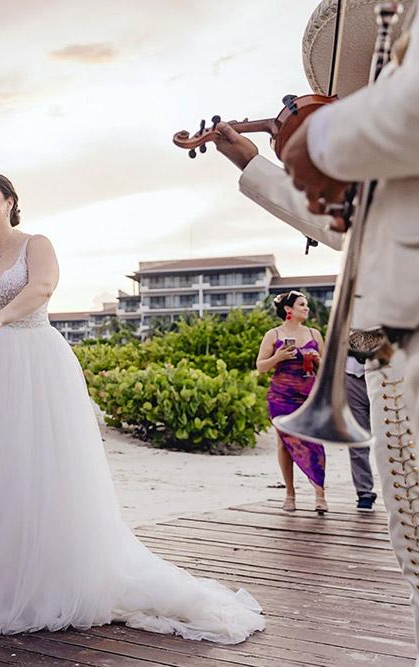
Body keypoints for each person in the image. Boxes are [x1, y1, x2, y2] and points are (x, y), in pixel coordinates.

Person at [0, 174, 266, 643]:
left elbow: (41, 290)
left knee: (33, 470)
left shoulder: (36, 244)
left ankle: (36, 580)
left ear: (10, 202)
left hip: (32, 363)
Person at [208, 0, 419, 655]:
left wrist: (316, 140)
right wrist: (255, 164)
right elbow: (344, 222)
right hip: (392, 355)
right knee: (412, 544)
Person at [214, 122, 378, 511]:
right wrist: (251, 163)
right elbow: (334, 216)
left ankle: (326, 494)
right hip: (335, 378)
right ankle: (320, 494)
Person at [255, 291, 327, 513]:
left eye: (306, 304)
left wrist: (317, 360)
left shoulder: (314, 334)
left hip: (309, 396)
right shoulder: (273, 334)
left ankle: (320, 493)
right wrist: (278, 357)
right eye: (302, 304)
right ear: (288, 310)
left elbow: (327, 370)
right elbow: (261, 367)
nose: (306, 308)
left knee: (314, 441)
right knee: (284, 444)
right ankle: (290, 494)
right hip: (281, 396)